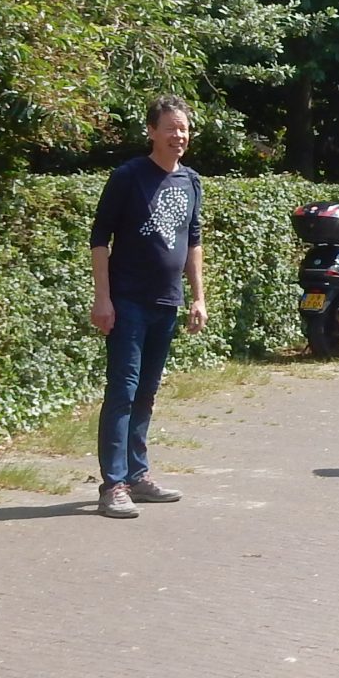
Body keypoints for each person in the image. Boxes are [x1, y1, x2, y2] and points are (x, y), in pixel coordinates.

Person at [87, 96, 207, 519]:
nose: (179, 136)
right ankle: (113, 485)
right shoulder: (128, 177)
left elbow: (193, 242)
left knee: (147, 393)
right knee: (122, 391)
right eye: (171, 129)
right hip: (128, 302)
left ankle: (137, 477)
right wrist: (103, 298)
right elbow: (100, 238)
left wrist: (198, 297)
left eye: (184, 129)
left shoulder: (191, 181)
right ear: (152, 132)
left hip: (166, 304)